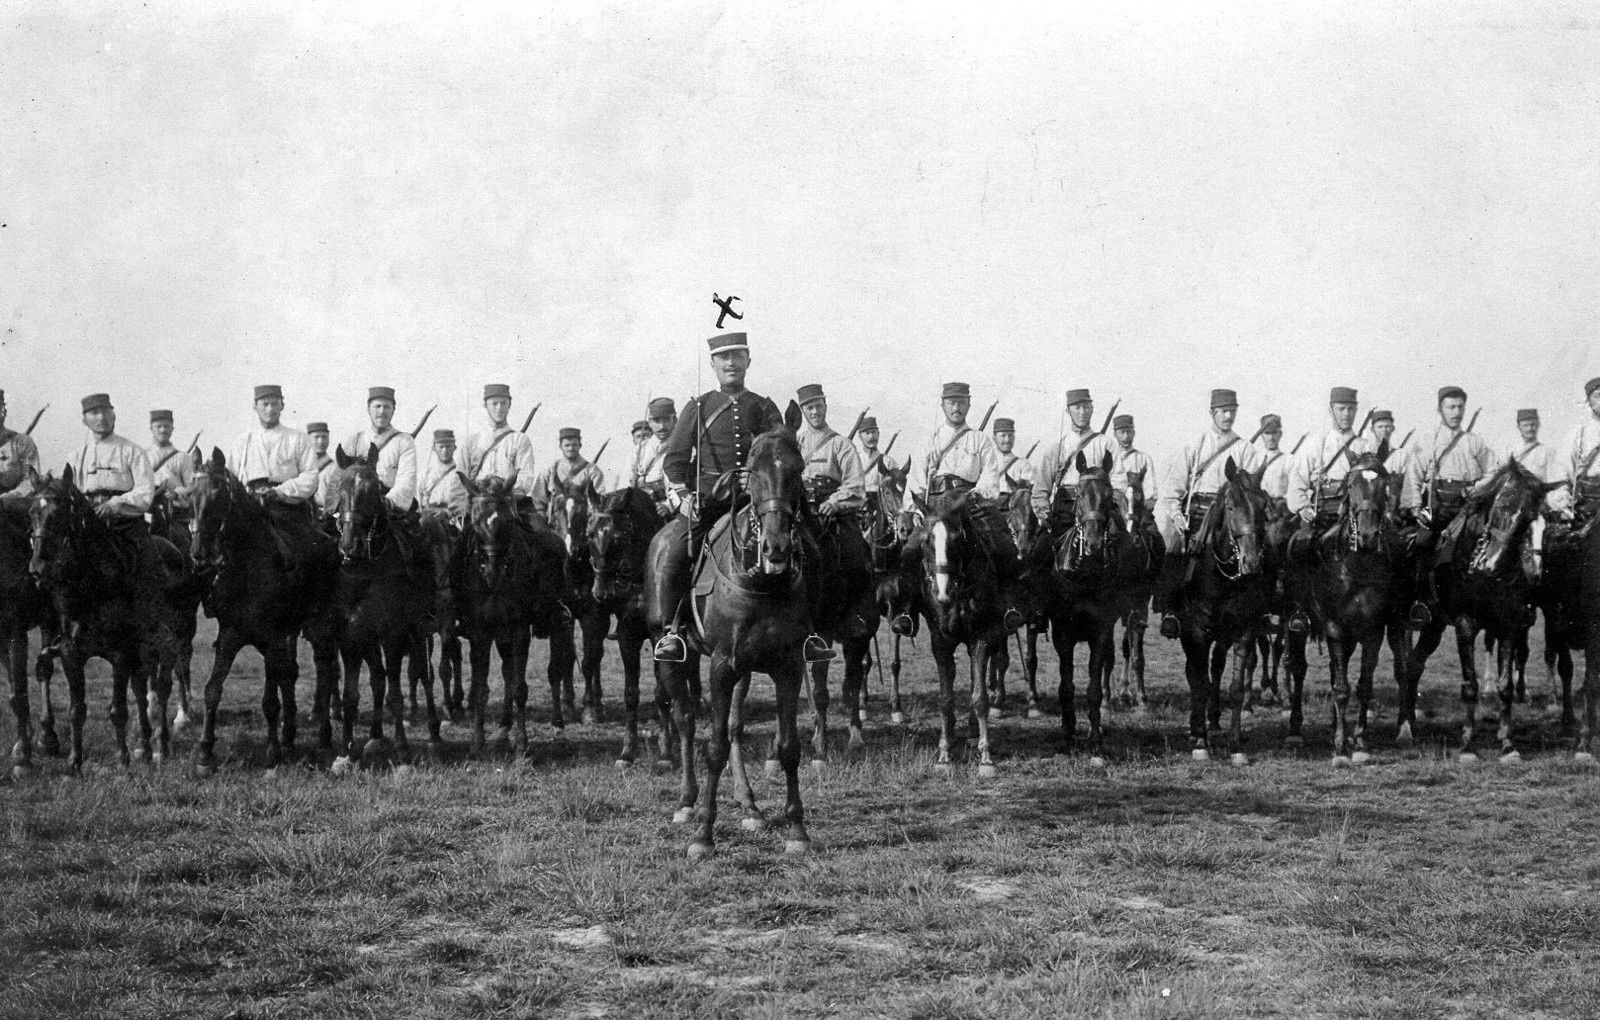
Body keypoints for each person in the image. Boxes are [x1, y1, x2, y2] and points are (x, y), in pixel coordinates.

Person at [649, 331, 832, 662]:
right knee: (676, 554)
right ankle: (672, 632)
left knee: (813, 551)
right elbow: (674, 460)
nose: (731, 363)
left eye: (737, 356)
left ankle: (810, 633)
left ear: (748, 360)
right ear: (713, 364)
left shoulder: (764, 406)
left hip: (757, 499)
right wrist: (684, 496)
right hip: (707, 500)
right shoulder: (698, 406)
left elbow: (779, 448)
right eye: (724, 357)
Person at [895, 381, 1026, 636]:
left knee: (1004, 544)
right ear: (943, 405)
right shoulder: (929, 441)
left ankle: (1008, 605)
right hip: (935, 506)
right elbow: (916, 482)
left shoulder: (980, 440)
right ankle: (907, 611)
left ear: (968, 404)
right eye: (951, 402)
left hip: (969, 504)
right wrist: (918, 508)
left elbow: (990, 476)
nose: (956, 407)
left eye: (961, 402)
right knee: (910, 550)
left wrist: (975, 494)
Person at [1152, 388, 1266, 638]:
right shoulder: (1196, 444)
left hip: (1232, 514)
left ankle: (1262, 613)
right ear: (1212, 413)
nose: (1229, 416)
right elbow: (1173, 487)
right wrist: (1177, 514)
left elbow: (1252, 488)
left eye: (1232, 411)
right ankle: (1170, 612)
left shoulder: (1245, 448)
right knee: (1175, 549)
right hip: (1199, 512)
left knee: (1256, 550)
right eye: (1224, 411)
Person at [1401, 386, 1501, 625]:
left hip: (1470, 511)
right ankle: (1420, 602)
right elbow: (1413, 474)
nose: (1456, 412)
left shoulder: (1475, 442)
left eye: (1460, 407)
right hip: (1439, 509)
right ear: (1440, 409)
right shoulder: (1428, 440)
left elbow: (1494, 471)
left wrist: (1477, 487)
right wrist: (1416, 507)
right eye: (1451, 407)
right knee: (1421, 545)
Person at [1032, 388, 1113, 536]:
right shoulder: (1057, 448)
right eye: (1077, 407)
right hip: (1064, 511)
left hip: (1099, 511)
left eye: (1086, 407)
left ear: (1092, 409)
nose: (1082, 412)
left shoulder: (1106, 444)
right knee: (1041, 548)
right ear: (1068, 411)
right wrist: (1044, 513)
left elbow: (1119, 482)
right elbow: (1041, 488)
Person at [456, 383, 539, 513]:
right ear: (485, 405)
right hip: (478, 504)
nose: (499, 408)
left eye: (503, 403)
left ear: (509, 405)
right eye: (494, 403)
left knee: (539, 525)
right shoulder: (472, 442)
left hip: (510, 503)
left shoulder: (519, 439)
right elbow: (460, 479)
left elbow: (525, 475)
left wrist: (510, 494)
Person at [795, 383, 866, 516]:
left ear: (825, 407)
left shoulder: (841, 444)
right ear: (802, 411)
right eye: (809, 408)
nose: (815, 412)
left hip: (834, 514)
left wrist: (834, 503)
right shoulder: (796, 443)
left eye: (819, 406)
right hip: (801, 511)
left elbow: (856, 486)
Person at [343, 386, 418, 511]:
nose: (382, 411)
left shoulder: (404, 441)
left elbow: (407, 480)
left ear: (393, 410)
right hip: (355, 506)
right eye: (377, 406)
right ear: (368, 409)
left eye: (386, 407)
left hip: (388, 506)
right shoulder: (355, 441)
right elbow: (340, 477)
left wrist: (386, 502)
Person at [535, 427, 606, 510]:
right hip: (555, 516)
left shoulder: (592, 471)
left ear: (580, 446)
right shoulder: (550, 471)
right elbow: (538, 499)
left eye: (574, 445)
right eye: (567, 445)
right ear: (560, 446)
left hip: (585, 516)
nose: (571, 448)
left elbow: (600, 499)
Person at [631, 397, 676, 508]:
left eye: (666, 420)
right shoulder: (640, 450)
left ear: (674, 420)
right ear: (650, 422)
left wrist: (668, 507)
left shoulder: (683, 447)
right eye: (656, 420)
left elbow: (685, 486)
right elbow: (629, 482)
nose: (662, 426)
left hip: (673, 507)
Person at [1107, 413, 1156, 515]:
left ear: (1134, 433)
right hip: (1112, 508)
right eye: (1122, 432)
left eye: (1129, 432)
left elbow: (1150, 487)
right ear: (1115, 434)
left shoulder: (1143, 458)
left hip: (1136, 509)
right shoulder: (1108, 458)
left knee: (1150, 525)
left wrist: (1148, 504)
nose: (1126, 436)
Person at [854, 415, 903, 515]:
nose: (871, 436)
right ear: (859, 436)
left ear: (878, 434)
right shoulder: (854, 460)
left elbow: (897, 490)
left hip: (881, 510)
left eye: (873, 432)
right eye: (867, 433)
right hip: (856, 510)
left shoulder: (889, 462)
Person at [418, 429, 469, 519]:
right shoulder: (425, 474)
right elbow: (418, 502)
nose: (445, 450)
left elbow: (464, 503)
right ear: (434, 448)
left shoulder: (460, 474)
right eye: (441, 447)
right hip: (428, 516)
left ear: (454, 447)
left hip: (451, 518)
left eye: (448, 446)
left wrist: (447, 513)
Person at [0, 390, 40, 499]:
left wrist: (7, 498)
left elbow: (30, 481)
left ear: (4, 411)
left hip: (13, 504)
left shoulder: (23, 443)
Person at [992, 418, 1037, 497]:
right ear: (994, 438)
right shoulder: (986, 461)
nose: (1007, 440)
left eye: (1010, 435)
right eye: (1003, 435)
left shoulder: (1023, 464)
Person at [1255, 414, 1293, 500]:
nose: (1271, 438)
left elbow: (1294, 490)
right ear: (1261, 435)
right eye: (1267, 433)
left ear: (1280, 434)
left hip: (1280, 506)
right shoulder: (1254, 460)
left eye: (1274, 433)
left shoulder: (1289, 460)